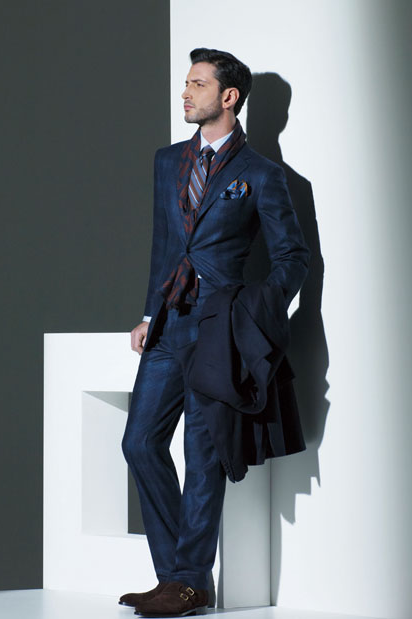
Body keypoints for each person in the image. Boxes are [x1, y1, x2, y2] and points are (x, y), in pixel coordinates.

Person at [120, 47, 309, 618]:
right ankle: (184, 578)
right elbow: (164, 245)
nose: (185, 92)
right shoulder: (167, 161)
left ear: (228, 97)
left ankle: (183, 583)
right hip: (169, 321)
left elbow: (294, 257)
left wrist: (254, 313)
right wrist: (149, 312)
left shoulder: (262, 175)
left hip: (219, 326)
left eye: (197, 84)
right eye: (186, 82)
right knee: (139, 442)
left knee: (202, 454)